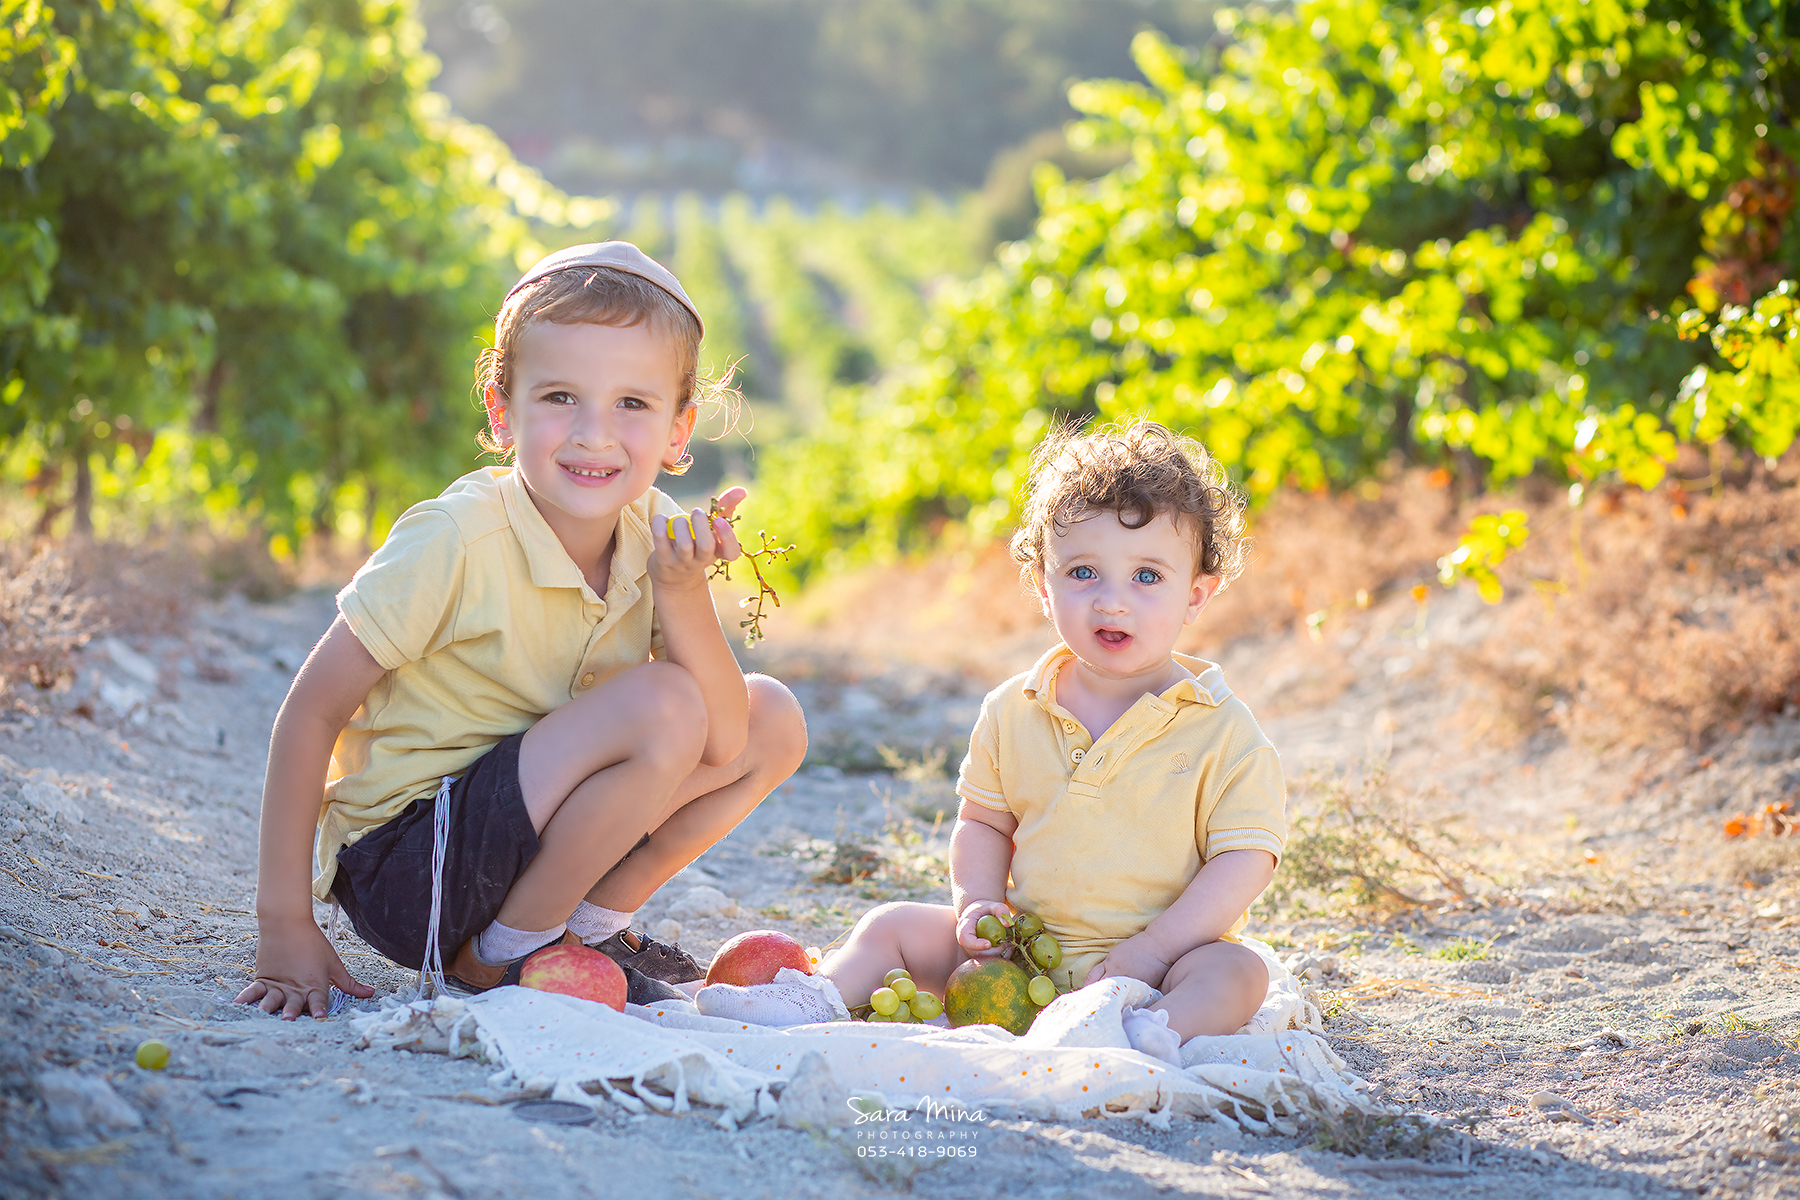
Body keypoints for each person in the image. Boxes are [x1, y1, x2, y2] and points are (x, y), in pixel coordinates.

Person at [237, 242, 808, 1019]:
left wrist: (681, 592)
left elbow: (728, 742)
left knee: (771, 715)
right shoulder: (456, 538)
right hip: (415, 869)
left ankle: (585, 930)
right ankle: (500, 957)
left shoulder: (657, 535)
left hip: (530, 846)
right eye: (561, 397)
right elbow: (311, 712)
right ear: (503, 411)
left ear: (680, 432)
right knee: (667, 703)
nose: (594, 435)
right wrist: (283, 923)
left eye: (632, 405)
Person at [699, 421, 1283, 1064]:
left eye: (1147, 577)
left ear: (1196, 594)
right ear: (1042, 584)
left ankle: (1146, 1033)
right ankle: (822, 997)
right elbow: (982, 822)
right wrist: (977, 902)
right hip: (1020, 955)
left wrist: (1150, 951)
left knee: (1238, 973)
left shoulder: (1221, 729)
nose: (1112, 602)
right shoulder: (1014, 708)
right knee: (892, 925)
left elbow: (1244, 860)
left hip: (1162, 964)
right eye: (1084, 572)